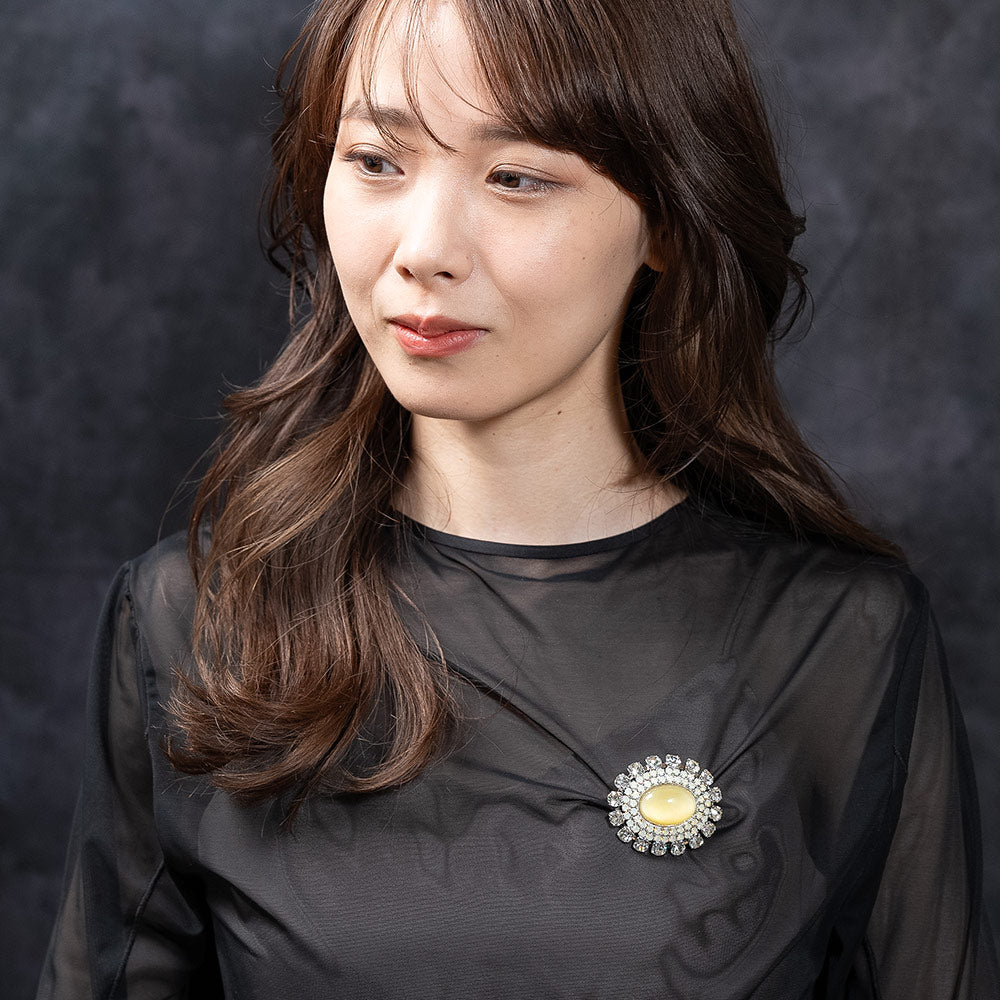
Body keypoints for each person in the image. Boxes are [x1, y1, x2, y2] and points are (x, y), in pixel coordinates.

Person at [37, 0, 997, 996]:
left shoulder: (836, 641)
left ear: (668, 219)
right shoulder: (194, 620)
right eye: (375, 160)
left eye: (516, 178)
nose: (425, 249)